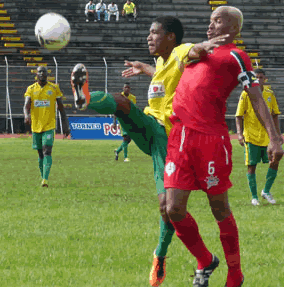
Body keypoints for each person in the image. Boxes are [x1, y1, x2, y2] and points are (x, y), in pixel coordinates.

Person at [70, 16, 225, 286]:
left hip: (168, 138)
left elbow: (193, 51)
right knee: (123, 102)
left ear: (171, 38)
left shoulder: (178, 52)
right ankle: (84, 98)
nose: (148, 37)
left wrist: (206, 45)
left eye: (154, 33)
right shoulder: (163, 61)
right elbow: (166, 75)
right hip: (149, 126)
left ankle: (160, 255)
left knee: (167, 208)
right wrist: (145, 67)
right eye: (149, 33)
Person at [164, 6, 284, 287]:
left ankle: (235, 273)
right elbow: (173, 67)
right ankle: (205, 260)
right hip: (180, 136)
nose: (210, 26)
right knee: (173, 209)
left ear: (233, 28)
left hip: (210, 139)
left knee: (219, 208)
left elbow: (255, 94)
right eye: (209, 21)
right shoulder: (197, 52)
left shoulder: (236, 56)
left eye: (217, 21)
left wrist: (275, 137)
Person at [235, 68, 282, 206]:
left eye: (261, 77)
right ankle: (254, 197)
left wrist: (278, 135)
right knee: (251, 166)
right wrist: (239, 134)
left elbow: (275, 115)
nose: (259, 80)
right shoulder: (245, 94)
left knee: (275, 160)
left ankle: (266, 191)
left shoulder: (269, 94)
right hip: (251, 136)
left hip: (268, 137)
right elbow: (239, 116)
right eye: (256, 77)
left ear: (265, 79)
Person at [23, 66, 70, 187]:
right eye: (40, 72)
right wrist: (26, 115)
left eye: (44, 71)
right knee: (40, 153)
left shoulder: (54, 88)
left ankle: (45, 179)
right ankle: (43, 175)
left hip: (49, 126)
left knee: (47, 151)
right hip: (36, 126)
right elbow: (26, 105)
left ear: (47, 74)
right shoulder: (31, 89)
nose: (42, 73)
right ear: (36, 75)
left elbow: (61, 108)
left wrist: (65, 125)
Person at [113, 82, 136, 162]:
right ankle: (125, 157)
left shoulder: (133, 98)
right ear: (123, 88)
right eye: (125, 87)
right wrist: (114, 122)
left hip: (130, 120)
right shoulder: (119, 97)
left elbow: (134, 110)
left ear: (129, 89)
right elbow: (115, 110)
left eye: (128, 87)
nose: (127, 89)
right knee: (126, 138)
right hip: (122, 119)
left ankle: (117, 151)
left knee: (128, 139)